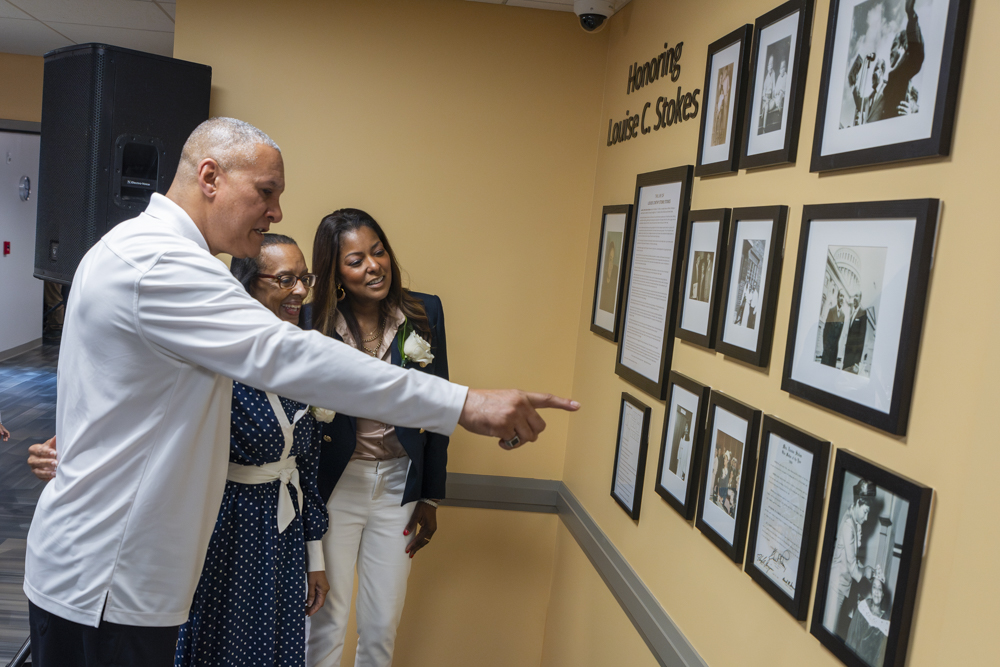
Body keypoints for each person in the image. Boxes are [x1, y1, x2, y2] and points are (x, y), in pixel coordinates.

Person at [23, 117, 578, 667]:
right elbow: (293, 355)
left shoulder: (131, 247)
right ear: (210, 176)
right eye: (266, 192)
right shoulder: (164, 263)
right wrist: (464, 403)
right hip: (107, 581)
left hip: (106, 572)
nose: (277, 212)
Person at [174, 234, 331, 666]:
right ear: (245, 284)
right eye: (285, 279)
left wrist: (313, 556)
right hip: (224, 528)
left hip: (282, 532)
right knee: (219, 645)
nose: (300, 290)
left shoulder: (300, 358)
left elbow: (307, 469)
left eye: (304, 278)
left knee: (272, 648)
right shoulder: (216, 361)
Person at [303, 208, 447, 666]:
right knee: (326, 618)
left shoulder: (424, 311)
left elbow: (440, 406)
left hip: (399, 487)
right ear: (335, 271)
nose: (373, 266)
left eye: (378, 251)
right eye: (356, 259)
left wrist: (430, 496)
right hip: (336, 486)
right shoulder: (314, 321)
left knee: (382, 625)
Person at [823, 479, 876, 640]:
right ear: (858, 503)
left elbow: (851, 558)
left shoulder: (854, 521)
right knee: (827, 632)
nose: (867, 518)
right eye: (865, 511)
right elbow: (853, 568)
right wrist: (865, 572)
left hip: (842, 586)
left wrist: (866, 567)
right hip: (836, 586)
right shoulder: (848, 525)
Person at [845, 568, 890, 667]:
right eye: (874, 587)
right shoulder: (863, 608)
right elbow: (852, 638)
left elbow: (879, 658)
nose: (877, 592)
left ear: (883, 594)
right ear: (871, 590)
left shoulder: (885, 623)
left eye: (879, 589)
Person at [821, 289, 847, 367]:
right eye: (841, 296)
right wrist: (826, 347)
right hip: (827, 351)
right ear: (837, 297)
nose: (842, 298)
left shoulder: (843, 316)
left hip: (834, 352)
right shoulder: (831, 311)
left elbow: (839, 335)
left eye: (843, 296)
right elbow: (825, 330)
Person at [598, 239, 618, 313]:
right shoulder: (601, 278)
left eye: (613, 259)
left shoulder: (615, 276)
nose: (611, 264)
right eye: (610, 259)